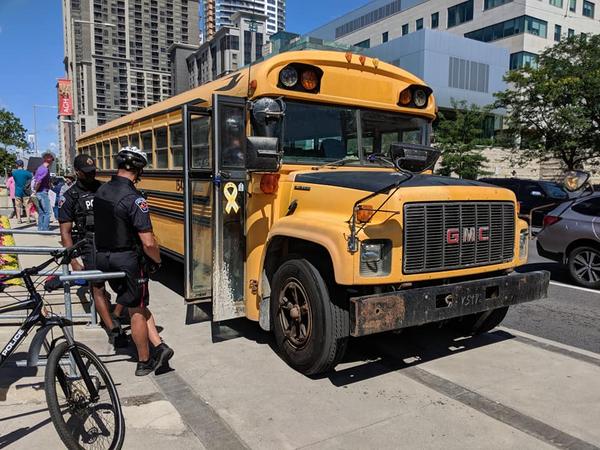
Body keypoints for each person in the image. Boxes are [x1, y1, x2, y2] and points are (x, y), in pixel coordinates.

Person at [94, 146, 173, 376]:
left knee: (138, 303)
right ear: (139, 171)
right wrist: (157, 260)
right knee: (136, 311)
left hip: (103, 257)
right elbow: (148, 242)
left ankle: (159, 346)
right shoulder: (134, 199)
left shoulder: (101, 191)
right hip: (127, 260)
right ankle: (144, 360)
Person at [59, 154, 126, 347]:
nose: (91, 175)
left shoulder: (105, 189)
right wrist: (73, 260)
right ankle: (112, 329)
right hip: (90, 245)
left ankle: (115, 314)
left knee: (127, 283)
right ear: (77, 172)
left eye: (93, 171)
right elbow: (65, 232)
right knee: (97, 286)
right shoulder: (70, 196)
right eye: (87, 173)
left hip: (113, 241)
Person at [33, 152, 54, 231]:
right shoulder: (44, 170)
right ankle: (45, 229)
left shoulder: (40, 168)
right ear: (49, 160)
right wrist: (35, 190)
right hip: (42, 192)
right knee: (47, 212)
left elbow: (36, 180)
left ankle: (40, 228)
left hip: (40, 192)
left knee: (41, 212)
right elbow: (38, 181)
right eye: (52, 161)